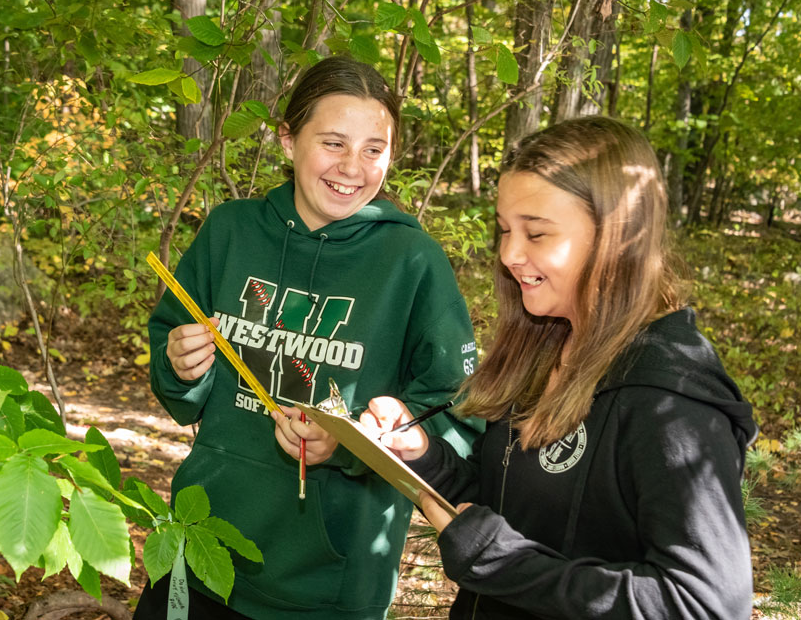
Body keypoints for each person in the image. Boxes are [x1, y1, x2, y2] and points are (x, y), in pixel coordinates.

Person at [362, 116, 758, 619]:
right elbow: (510, 508)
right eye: (504, 230)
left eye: (537, 233)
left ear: (620, 237)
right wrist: (422, 456)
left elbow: (706, 605)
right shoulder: (547, 346)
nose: (509, 254)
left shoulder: (669, 401)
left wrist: (502, 562)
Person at [135, 55, 483, 620]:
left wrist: (351, 443)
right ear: (287, 139)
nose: (353, 166)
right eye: (333, 143)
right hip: (199, 545)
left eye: (375, 149)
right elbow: (173, 377)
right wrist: (180, 365)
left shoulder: (411, 262)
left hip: (329, 584)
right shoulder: (230, 231)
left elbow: (457, 411)